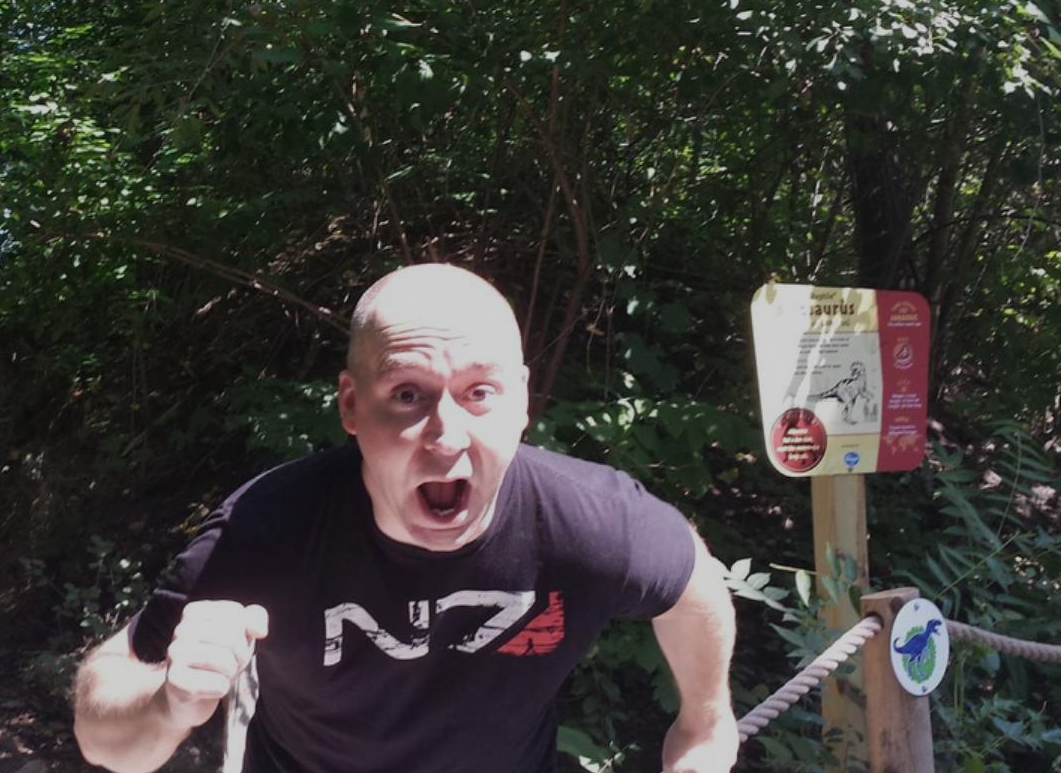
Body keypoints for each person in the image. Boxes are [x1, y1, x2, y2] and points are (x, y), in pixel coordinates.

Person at [72, 264, 740, 773]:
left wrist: (705, 726)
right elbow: (102, 735)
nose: (446, 434)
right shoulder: (267, 530)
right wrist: (167, 703)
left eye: (480, 392)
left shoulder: (589, 521)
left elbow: (693, 583)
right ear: (351, 405)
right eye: (408, 394)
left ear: (522, 402)